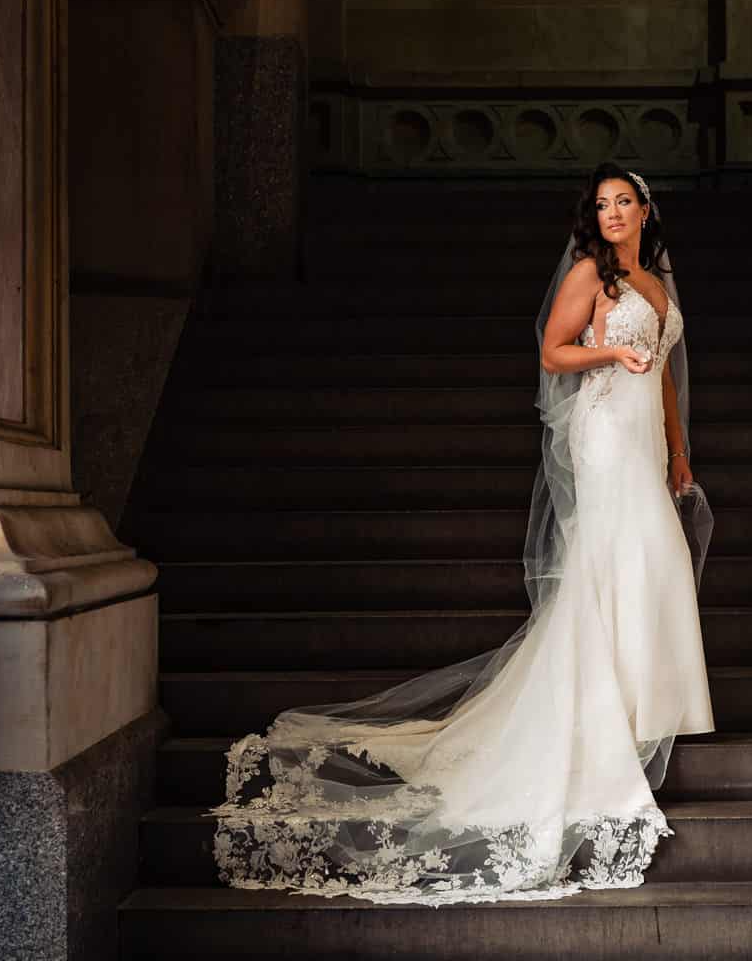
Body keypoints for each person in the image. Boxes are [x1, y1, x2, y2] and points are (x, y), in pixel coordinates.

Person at [212, 164, 715, 905]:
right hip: (603, 431)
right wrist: (609, 351)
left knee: (653, 559)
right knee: (619, 557)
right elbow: (552, 351)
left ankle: (640, 702)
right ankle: (603, 712)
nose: (612, 213)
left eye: (623, 202)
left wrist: (678, 451)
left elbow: (665, 372)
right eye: (601, 204)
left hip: (643, 434)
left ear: (645, 210)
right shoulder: (590, 275)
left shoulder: (655, 282)